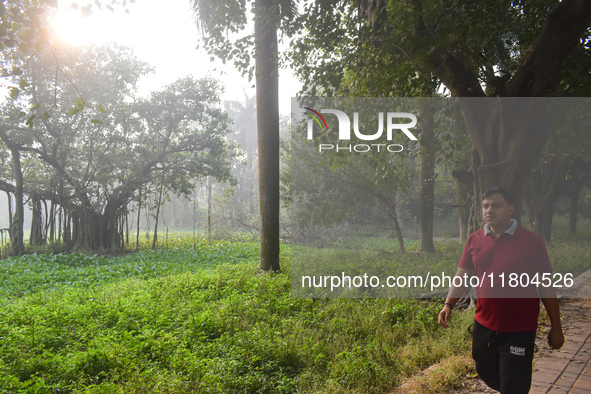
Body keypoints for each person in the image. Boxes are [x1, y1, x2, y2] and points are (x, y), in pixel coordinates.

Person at [438, 186, 564, 394]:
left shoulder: (532, 242)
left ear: (511, 209)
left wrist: (556, 327)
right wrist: (448, 304)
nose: (489, 210)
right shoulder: (474, 240)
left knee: (514, 384)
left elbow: (546, 287)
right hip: (485, 325)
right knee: (484, 369)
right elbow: (462, 276)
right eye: (486, 206)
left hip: (519, 328)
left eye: (496, 205)